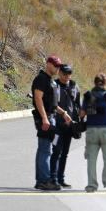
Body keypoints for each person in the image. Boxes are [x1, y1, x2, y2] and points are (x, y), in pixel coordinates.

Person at [31, 55, 71, 191]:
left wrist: (63, 113)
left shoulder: (51, 81)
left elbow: (52, 104)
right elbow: (38, 99)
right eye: (55, 65)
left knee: (45, 148)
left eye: (58, 66)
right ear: (48, 64)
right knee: (45, 150)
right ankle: (44, 180)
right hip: (45, 119)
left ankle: (41, 180)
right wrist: (44, 118)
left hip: (51, 117)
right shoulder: (41, 79)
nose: (57, 68)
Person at [80, 73, 106, 193]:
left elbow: (82, 114)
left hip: (92, 130)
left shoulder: (88, 96)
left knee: (91, 160)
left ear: (94, 82)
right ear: (105, 83)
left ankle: (92, 185)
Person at [49, 64, 80, 188]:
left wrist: (77, 121)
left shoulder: (74, 86)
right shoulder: (54, 86)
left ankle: (61, 178)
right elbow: (53, 105)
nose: (67, 76)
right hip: (57, 126)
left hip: (69, 126)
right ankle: (53, 178)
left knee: (65, 153)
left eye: (69, 74)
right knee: (56, 151)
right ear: (59, 73)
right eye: (65, 73)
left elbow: (77, 105)